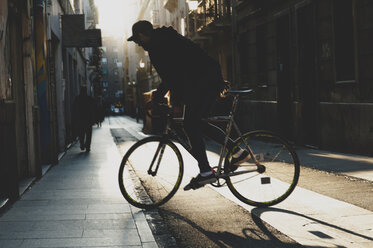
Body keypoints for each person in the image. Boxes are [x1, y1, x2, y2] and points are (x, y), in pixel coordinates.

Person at [127, 20, 250, 190]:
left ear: (142, 35)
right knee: (198, 123)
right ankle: (237, 153)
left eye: (137, 39)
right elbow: (174, 75)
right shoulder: (162, 40)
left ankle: (207, 171)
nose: (137, 43)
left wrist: (161, 97)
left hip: (204, 83)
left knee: (190, 124)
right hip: (203, 81)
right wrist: (164, 96)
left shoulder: (158, 46)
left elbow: (173, 75)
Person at [72, 86, 96, 152]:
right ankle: (87, 146)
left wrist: (75, 119)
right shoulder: (89, 99)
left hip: (80, 120)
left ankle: (82, 144)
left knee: (81, 133)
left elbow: (74, 110)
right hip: (88, 120)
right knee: (88, 134)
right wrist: (93, 119)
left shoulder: (77, 99)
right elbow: (93, 109)